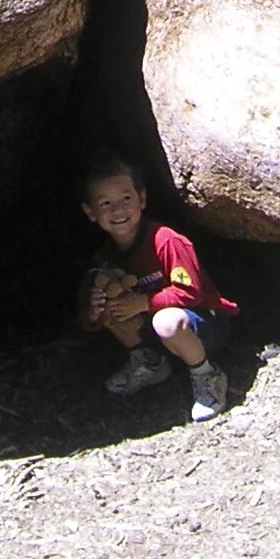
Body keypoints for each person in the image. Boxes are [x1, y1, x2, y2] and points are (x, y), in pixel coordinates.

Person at [78, 153, 234, 421]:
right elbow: (88, 319)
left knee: (167, 320)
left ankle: (207, 375)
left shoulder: (166, 241)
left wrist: (143, 303)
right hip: (155, 331)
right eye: (105, 203)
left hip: (202, 325)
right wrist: (95, 309)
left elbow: (191, 292)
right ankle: (149, 363)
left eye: (126, 199)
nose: (117, 210)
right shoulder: (105, 259)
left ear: (142, 199)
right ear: (91, 212)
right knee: (111, 303)